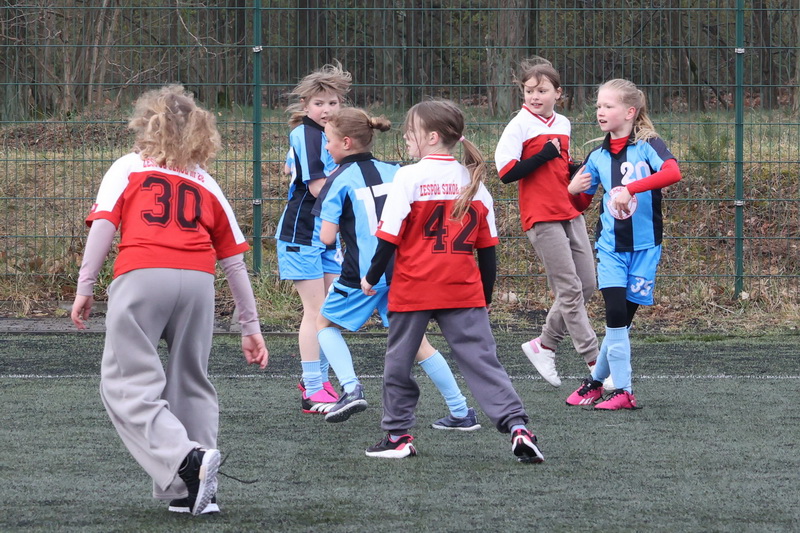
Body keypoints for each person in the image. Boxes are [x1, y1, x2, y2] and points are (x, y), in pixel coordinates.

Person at [70, 85, 269, 515]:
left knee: (125, 384)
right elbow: (234, 261)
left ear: (147, 124)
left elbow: (103, 226)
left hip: (142, 277)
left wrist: (85, 286)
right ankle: (194, 492)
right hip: (198, 282)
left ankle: (187, 461)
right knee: (190, 381)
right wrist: (250, 326)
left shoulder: (128, 166)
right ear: (199, 131)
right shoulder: (206, 181)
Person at [360, 99, 544, 463]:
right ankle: (517, 426)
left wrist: (371, 276)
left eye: (410, 130)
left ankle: (397, 436)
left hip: (414, 288)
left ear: (431, 137)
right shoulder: (474, 183)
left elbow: (388, 239)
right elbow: (488, 253)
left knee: (398, 364)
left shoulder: (408, 177)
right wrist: (483, 298)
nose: (405, 136)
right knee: (483, 363)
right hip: (463, 290)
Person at [312, 107, 480, 430]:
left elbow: (327, 237)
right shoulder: (396, 170)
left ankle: (351, 388)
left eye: (328, 140)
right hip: (403, 271)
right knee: (419, 344)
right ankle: (461, 410)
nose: (326, 147)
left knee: (323, 323)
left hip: (363, 274)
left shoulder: (338, 180)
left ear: (346, 143)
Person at [565, 78, 682, 409]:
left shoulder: (648, 146)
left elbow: (673, 173)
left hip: (645, 249)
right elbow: (581, 203)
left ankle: (595, 383)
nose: (600, 111)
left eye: (608, 106)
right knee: (615, 313)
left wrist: (631, 188)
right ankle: (625, 391)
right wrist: (571, 191)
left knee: (621, 322)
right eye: (598, 106)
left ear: (630, 112)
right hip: (611, 248)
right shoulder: (597, 156)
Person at [494, 57, 599, 389]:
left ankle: (545, 343)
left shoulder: (563, 123)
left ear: (558, 93)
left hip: (568, 210)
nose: (534, 96)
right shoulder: (519, 126)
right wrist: (543, 155)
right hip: (540, 216)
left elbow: (560, 166)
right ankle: (596, 363)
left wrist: (581, 169)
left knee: (586, 285)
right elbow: (506, 173)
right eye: (529, 91)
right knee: (569, 289)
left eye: (541, 90)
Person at [274, 62, 351, 414]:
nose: (326, 109)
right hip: (301, 232)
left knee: (331, 312)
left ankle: (318, 381)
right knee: (316, 311)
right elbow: (319, 187)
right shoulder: (305, 134)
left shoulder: (332, 135)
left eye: (333, 103)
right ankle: (313, 388)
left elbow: (292, 168)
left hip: (327, 234)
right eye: (319, 103)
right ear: (306, 106)